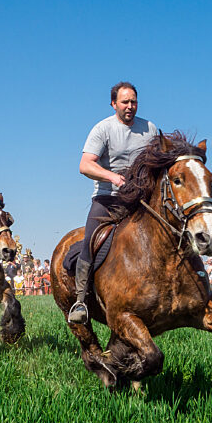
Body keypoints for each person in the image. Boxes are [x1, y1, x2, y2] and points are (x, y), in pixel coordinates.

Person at [68, 81, 158, 323]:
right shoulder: (103, 129)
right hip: (108, 199)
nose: (130, 107)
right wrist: (113, 177)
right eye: (125, 102)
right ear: (113, 104)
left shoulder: (150, 129)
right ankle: (80, 301)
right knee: (90, 240)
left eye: (134, 102)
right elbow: (85, 165)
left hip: (141, 199)